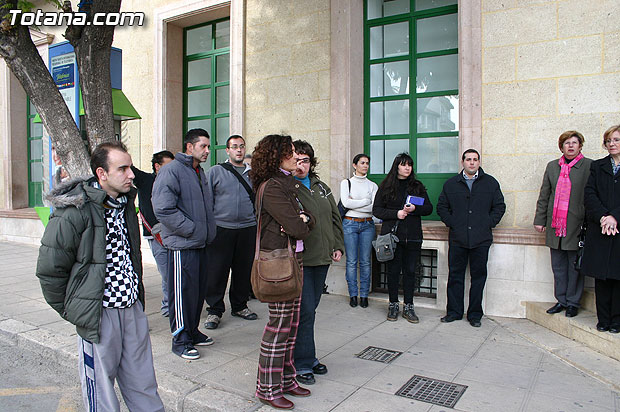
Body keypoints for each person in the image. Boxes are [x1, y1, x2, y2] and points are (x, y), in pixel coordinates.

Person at [36, 141, 165, 412]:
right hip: (99, 313)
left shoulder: (126, 203)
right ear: (101, 174)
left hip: (132, 308)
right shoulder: (74, 211)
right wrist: (77, 311)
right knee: (102, 391)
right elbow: (50, 270)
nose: (131, 174)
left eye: (130, 167)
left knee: (143, 382)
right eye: (123, 169)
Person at [250, 134, 315, 410]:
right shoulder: (274, 187)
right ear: (277, 157)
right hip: (278, 263)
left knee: (292, 325)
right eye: (290, 152)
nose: (296, 157)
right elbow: (299, 227)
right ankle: (267, 388)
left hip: (294, 259)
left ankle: (287, 379)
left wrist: (303, 219)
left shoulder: (288, 183)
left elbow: (309, 218)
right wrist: (301, 221)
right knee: (278, 327)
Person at [151, 128, 217, 360]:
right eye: (203, 146)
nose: (207, 150)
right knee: (182, 294)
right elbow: (163, 208)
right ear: (190, 147)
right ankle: (180, 340)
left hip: (200, 243)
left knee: (197, 293)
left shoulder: (199, 171)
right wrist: (191, 229)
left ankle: (192, 331)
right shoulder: (171, 170)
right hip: (182, 244)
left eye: (208, 146)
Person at [292, 140, 344, 386]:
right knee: (304, 311)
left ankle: (307, 356)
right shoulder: (287, 188)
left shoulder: (321, 187)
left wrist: (338, 245)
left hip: (322, 257)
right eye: (296, 160)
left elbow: (335, 218)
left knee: (310, 310)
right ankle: (302, 362)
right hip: (301, 258)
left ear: (311, 163)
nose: (300, 165)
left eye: (305, 160)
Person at [437, 149, 506, 327]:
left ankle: (475, 314)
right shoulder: (451, 184)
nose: (472, 162)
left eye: (475, 159)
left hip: (481, 239)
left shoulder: (490, 183)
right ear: (463, 162)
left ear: (479, 162)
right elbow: (442, 207)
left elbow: (499, 206)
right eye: (468, 159)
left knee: (478, 278)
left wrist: (488, 223)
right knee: (455, 276)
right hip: (458, 238)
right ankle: (454, 312)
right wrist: (453, 223)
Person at [534, 131, 591, 318]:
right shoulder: (552, 167)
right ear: (561, 147)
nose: (571, 146)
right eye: (567, 143)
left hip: (576, 224)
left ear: (580, 146)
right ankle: (561, 300)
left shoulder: (589, 166)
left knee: (575, 267)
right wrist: (540, 220)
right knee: (558, 266)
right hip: (555, 225)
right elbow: (544, 195)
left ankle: (573, 302)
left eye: (574, 142)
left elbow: (591, 196)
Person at [204, 135, 257, 329]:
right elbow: (207, 201)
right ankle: (214, 310)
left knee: (243, 270)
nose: (239, 150)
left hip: (247, 228)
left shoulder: (253, 174)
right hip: (221, 229)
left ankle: (240, 306)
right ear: (227, 150)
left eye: (242, 146)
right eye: (234, 147)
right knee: (217, 271)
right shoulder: (215, 172)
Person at [373, 153, 433, 322]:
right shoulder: (386, 186)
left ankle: (408, 306)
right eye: (404, 164)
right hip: (393, 238)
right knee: (393, 272)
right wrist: (396, 214)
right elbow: (377, 210)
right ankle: (393, 304)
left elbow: (429, 208)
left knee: (410, 272)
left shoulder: (417, 186)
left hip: (413, 237)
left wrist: (415, 209)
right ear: (397, 166)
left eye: (410, 165)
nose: (407, 168)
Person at [581, 125, 620, 334]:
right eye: (608, 141)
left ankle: (617, 320)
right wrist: (604, 217)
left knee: (618, 277)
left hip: (618, 229)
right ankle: (603, 319)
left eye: (616, 140)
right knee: (601, 278)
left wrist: (615, 217)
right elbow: (589, 195)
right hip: (601, 228)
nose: (612, 144)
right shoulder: (597, 166)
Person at [132, 150, 175, 317]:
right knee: (167, 273)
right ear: (157, 166)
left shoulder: (175, 182)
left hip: (176, 234)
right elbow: (128, 168)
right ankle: (168, 306)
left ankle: (175, 303)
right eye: (168, 166)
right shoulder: (145, 180)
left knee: (177, 272)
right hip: (156, 236)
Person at [340, 154, 378, 308]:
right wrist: (365, 201)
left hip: (368, 224)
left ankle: (364, 295)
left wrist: (354, 203)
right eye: (362, 163)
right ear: (354, 165)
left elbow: (374, 208)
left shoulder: (373, 185)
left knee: (365, 261)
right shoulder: (346, 183)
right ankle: (353, 295)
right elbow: (345, 203)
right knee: (351, 261)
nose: (365, 166)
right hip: (350, 224)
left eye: (367, 163)